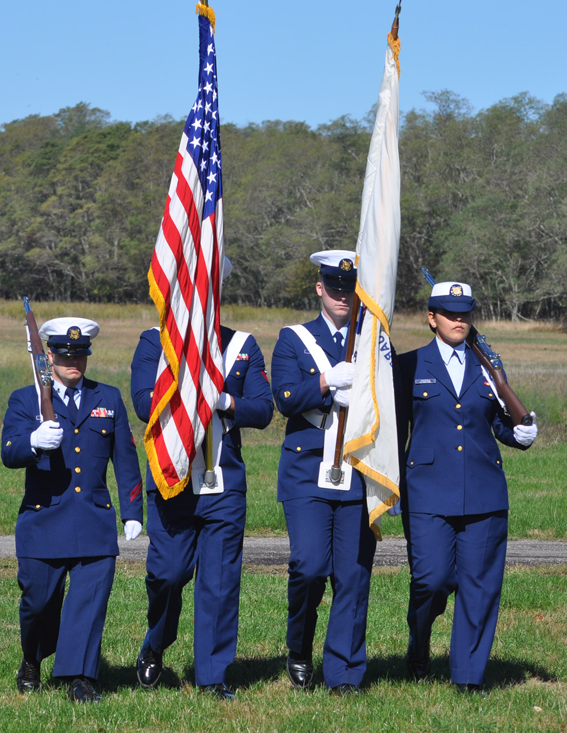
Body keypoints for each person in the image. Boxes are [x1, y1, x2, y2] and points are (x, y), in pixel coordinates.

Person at [130, 259, 273, 700]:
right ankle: (156, 643)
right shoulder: (155, 342)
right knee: (169, 574)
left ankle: (213, 675)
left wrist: (225, 398)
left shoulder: (243, 346)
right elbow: (141, 401)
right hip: (172, 478)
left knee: (220, 582)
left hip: (223, 483)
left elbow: (263, 409)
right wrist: (187, 386)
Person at [396, 281, 538, 693]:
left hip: (483, 491)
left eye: (464, 314)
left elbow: (497, 423)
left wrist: (520, 434)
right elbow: (395, 431)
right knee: (431, 579)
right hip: (426, 492)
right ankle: (419, 641)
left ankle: (469, 677)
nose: (458, 320)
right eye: (449, 313)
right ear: (431, 318)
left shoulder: (488, 367)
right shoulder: (408, 366)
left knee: (479, 586)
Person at [2, 317, 144, 703]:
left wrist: (133, 511)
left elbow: (126, 460)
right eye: (65, 356)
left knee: (87, 604)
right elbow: (9, 453)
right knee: (38, 602)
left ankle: (81, 679)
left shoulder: (108, 398)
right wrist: (32, 441)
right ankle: (32, 657)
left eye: (81, 355)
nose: (74, 363)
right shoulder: (25, 398)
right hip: (43, 519)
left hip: (93, 519)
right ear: (49, 355)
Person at [270, 250, 376, 695]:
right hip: (307, 467)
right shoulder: (294, 338)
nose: (341, 298)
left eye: (348, 290)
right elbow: (285, 398)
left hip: (356, 465)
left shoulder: (371, 339)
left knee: (352, 573)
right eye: (333, 289)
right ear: (319, 289)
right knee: (309, 566)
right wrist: (327, 382)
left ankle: (345, 673)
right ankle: (299, 647)